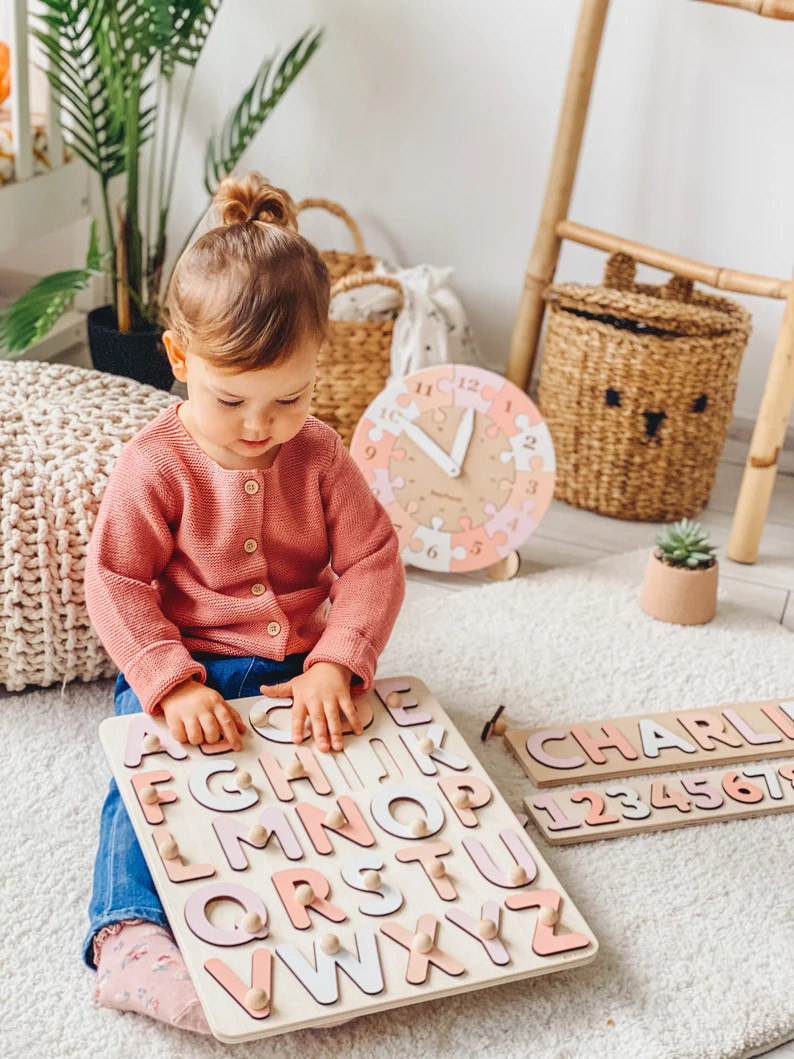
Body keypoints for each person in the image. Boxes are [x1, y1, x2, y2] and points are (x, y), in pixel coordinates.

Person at [81, 172, 406, 1034]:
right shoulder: (155, 464)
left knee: (338, 783)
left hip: (300, 665)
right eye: (231, 400)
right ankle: (128, 931)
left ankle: (336, 922)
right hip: (186, 666)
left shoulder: (323, 456)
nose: (261, 425)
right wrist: (169, 680)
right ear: (180, 360)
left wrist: (340, 659)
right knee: (148, 781)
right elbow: (114, 579)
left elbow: (373, 557)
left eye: (289, 398)